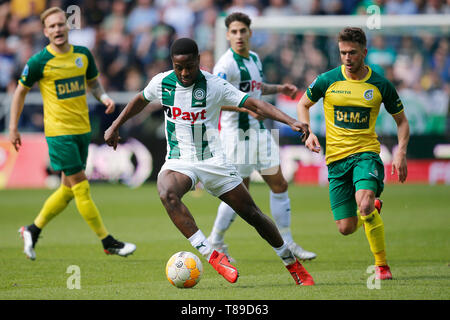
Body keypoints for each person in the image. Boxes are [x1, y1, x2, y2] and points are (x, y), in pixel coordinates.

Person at [104, 38, 315, 285]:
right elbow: (140, 99)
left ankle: (292, 264)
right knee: (166, 193)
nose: (183, 72)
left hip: (213, 160)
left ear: (198, 62)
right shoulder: (162, 82)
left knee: (253, 214)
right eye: (178, 67)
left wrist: (291, 121)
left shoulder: (215, 85)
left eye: (189, 67)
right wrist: (115, 125)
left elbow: (254, 103)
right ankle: (212, 255)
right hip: (179, 159)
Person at [9, 7, 136, 260]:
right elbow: (20, 92)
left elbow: (93, 83)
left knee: (68, 191)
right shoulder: (38, 62)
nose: (57, 29)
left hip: (82, 130)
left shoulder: (82, 55)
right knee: (82, 187)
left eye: (60, 25)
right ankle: (107, 241)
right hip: (59, 133)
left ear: (67, 27)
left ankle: (32, 230)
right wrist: (13, 127)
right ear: (45, 32)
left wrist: (104, 96)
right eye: (52, 26)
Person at [297, 27, 410, 280]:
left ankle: (381, 266)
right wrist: (308, 133)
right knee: (346, 228)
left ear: (364, 53)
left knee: (365, 200)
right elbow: (303, 104)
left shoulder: (380, 84)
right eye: (343, 53)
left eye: (352, 53)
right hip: (336, 160)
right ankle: (369, 210)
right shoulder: (328, 79)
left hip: (365, 154)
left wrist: (401, 152)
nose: (347, 58)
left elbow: (402, 121)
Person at [208, 12, 316, 262]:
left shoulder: (254, 58)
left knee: (279, 184)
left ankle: (288, 242)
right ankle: (216, 239)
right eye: (233, 32)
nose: (238, 36)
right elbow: (215, 99)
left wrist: (279, 88)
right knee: (239, 192)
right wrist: (246, 108)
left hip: (259, 132)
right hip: (237, 136)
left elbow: (256, 88)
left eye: (242, 31)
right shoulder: (225, 66)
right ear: (227, 35)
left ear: (249, 33)